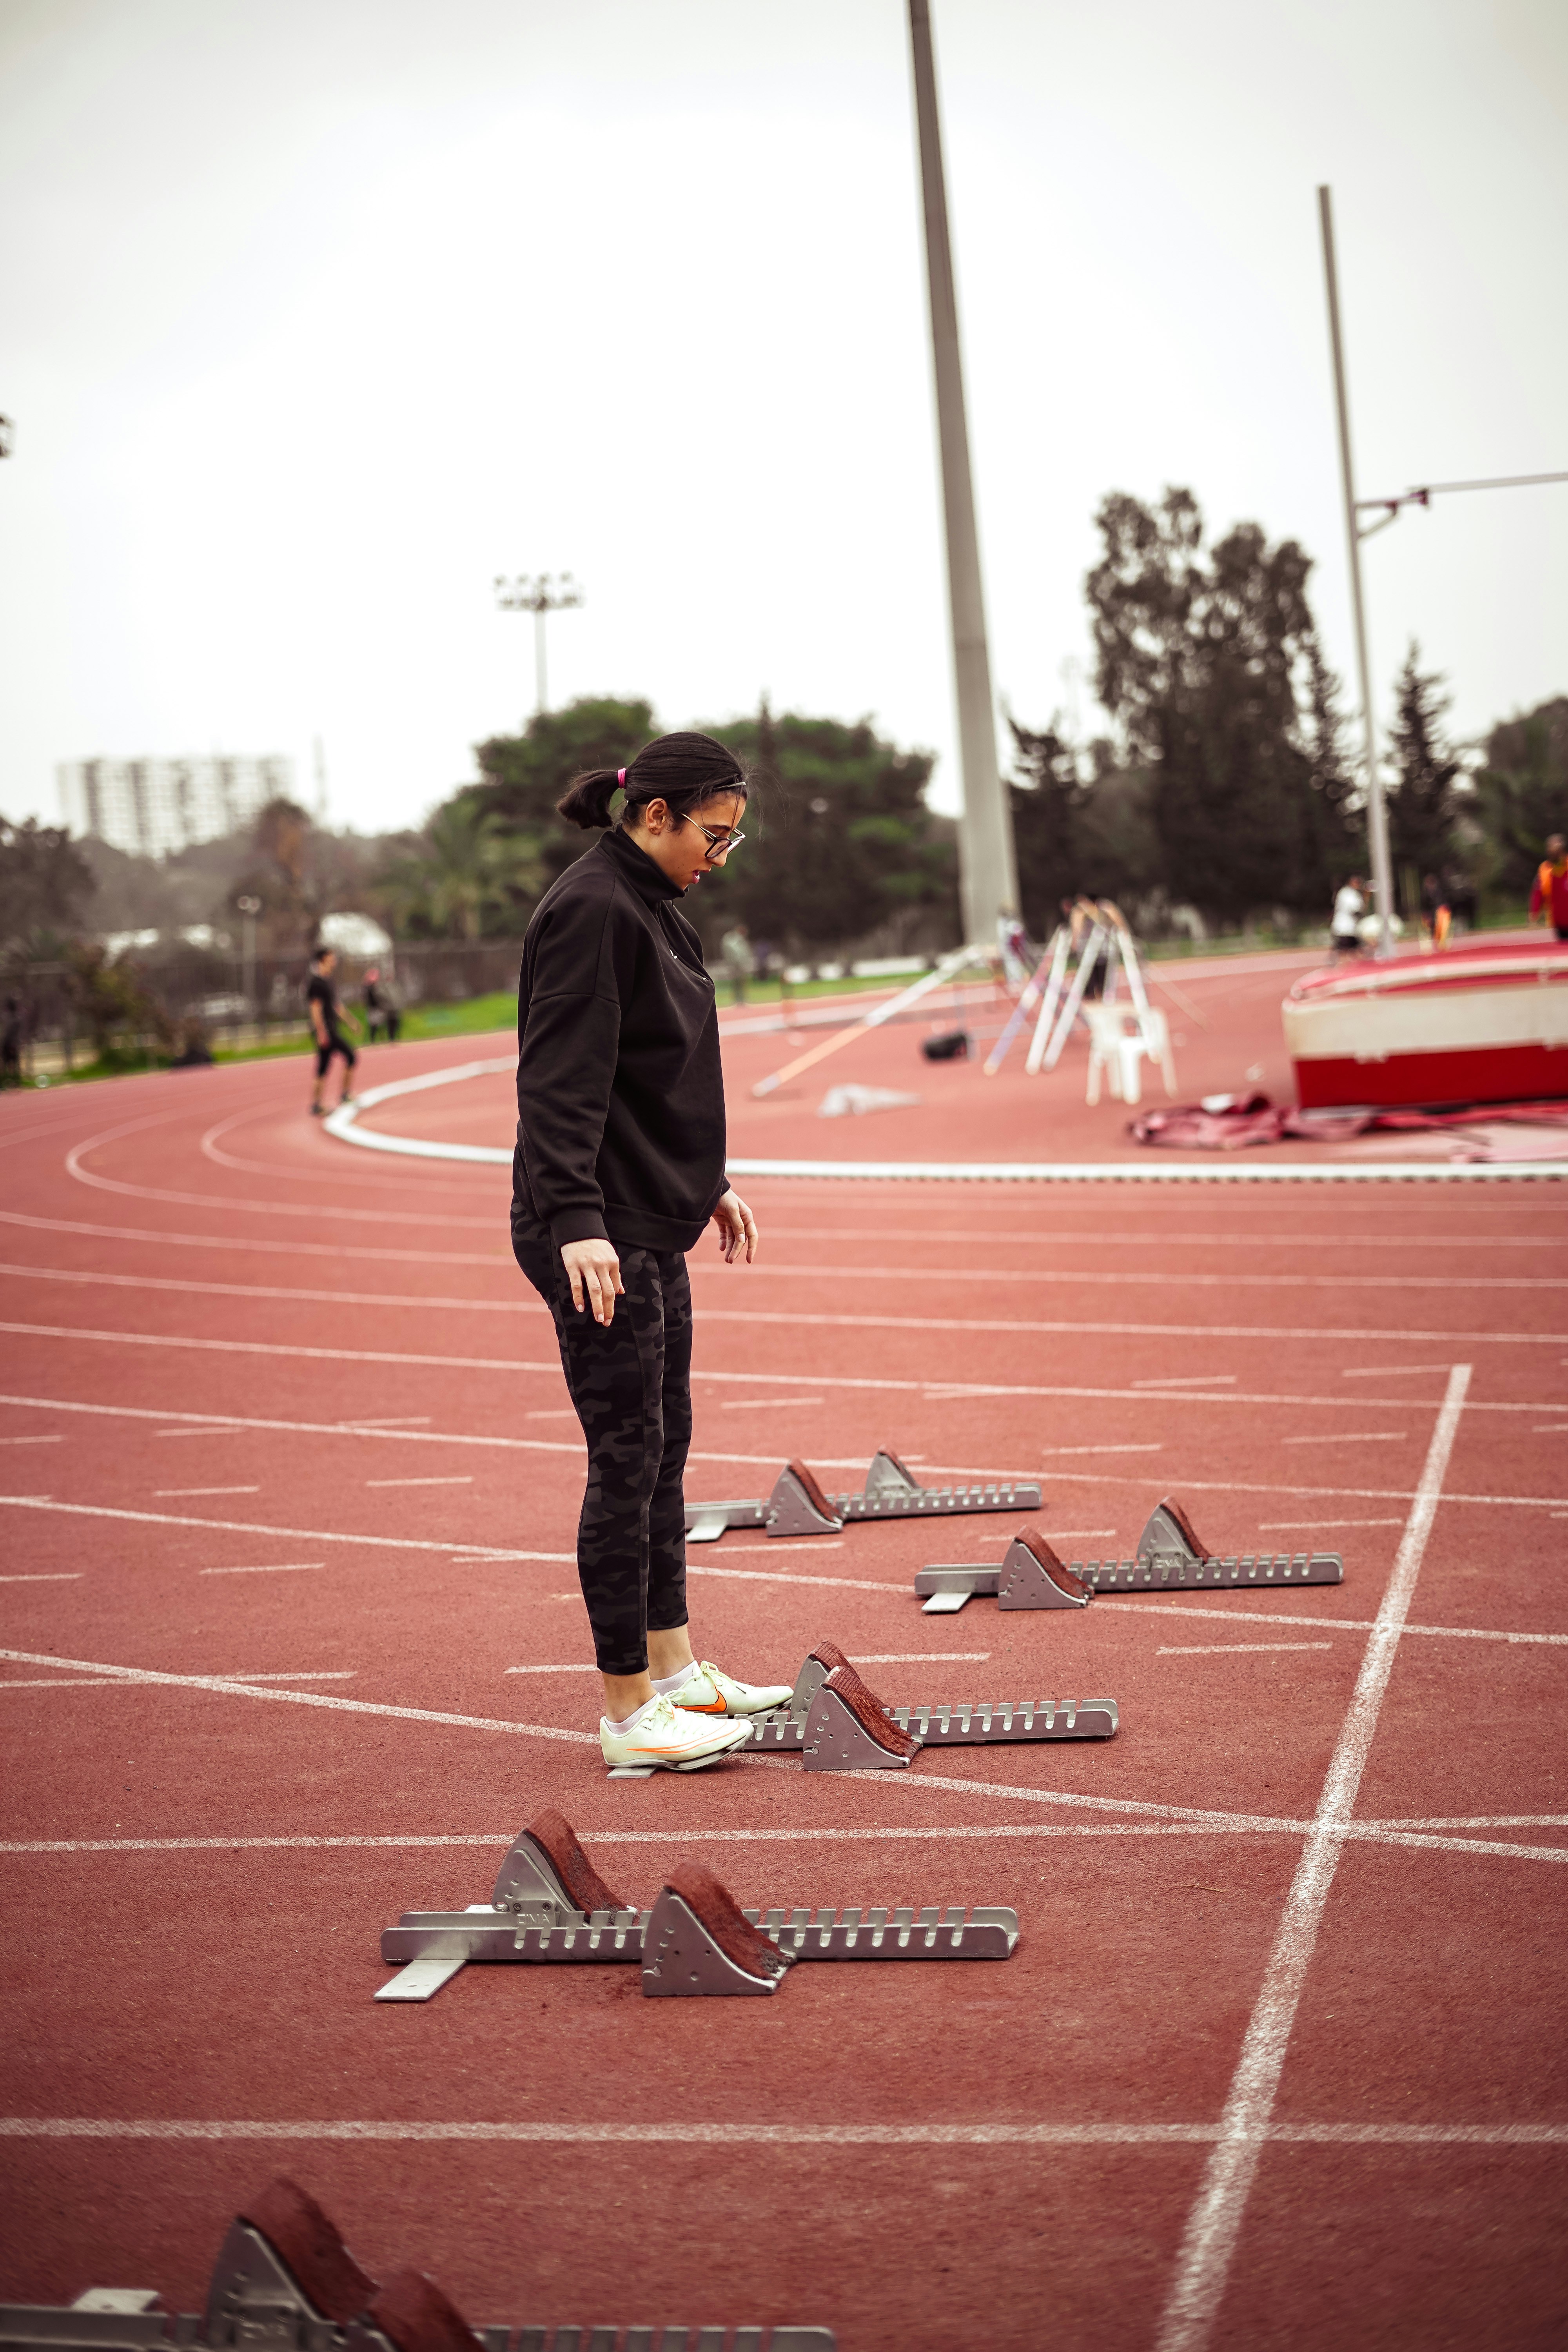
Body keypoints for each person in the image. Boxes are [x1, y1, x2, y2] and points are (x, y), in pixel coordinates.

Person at [510, 733, 791, 1773]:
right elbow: (560, 1082)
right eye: (713, 835)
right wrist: (576, 1217)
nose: (721, 856)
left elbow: (646, 1080)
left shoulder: (653, 909)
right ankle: (629, 1709)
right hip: (597, 1231)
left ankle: (674, 1673)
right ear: (656, 814)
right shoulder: (593, 910)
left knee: (665, 1443)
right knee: (627, 1456)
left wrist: (702, 1184)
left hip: (644, 1214)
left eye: (736, 839)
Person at [306, 946, 358, 1114]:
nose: (334, 961)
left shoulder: (329, 981)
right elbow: (315, 1009)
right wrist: (321, 1032)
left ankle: (325, 1101)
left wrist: (351, 1021)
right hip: (326, 1032)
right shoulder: (316, 983)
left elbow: (336, 1006)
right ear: (323, 960)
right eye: (331, 958)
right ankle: (325, 1102)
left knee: (330, 1064)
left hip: (332, 1029)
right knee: (342, 1059)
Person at [1529, 835, 1568, 942]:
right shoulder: (1545, 869)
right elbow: (1538, 891)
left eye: (1558, 850)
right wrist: (1535, 911)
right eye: (1552, 849)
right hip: (1556, 919)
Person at [1330, 876, 1366, 960]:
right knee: (1344, 950)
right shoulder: (1349, 893)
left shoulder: (1347, 892)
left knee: (1356, 949)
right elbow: (1357, 909)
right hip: (1345, 927)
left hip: (1349, 927)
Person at [363, 966, 401, 1044]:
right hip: (374, 1009)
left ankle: (389, 1039)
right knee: (374, 1026)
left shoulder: (379, 987)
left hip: (383, 1009)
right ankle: (373, 1041)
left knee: (386, 1025)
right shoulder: (369, 988)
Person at [719, 920, 751, 1006]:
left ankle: (742, 999)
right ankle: (737, 1000)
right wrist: (732, 962)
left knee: (742, 981)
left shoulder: (742, 940)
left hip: (741, 963)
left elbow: (745, 952)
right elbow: (730, 951)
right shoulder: (730, 939)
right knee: (736, 982)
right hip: (734, 964)